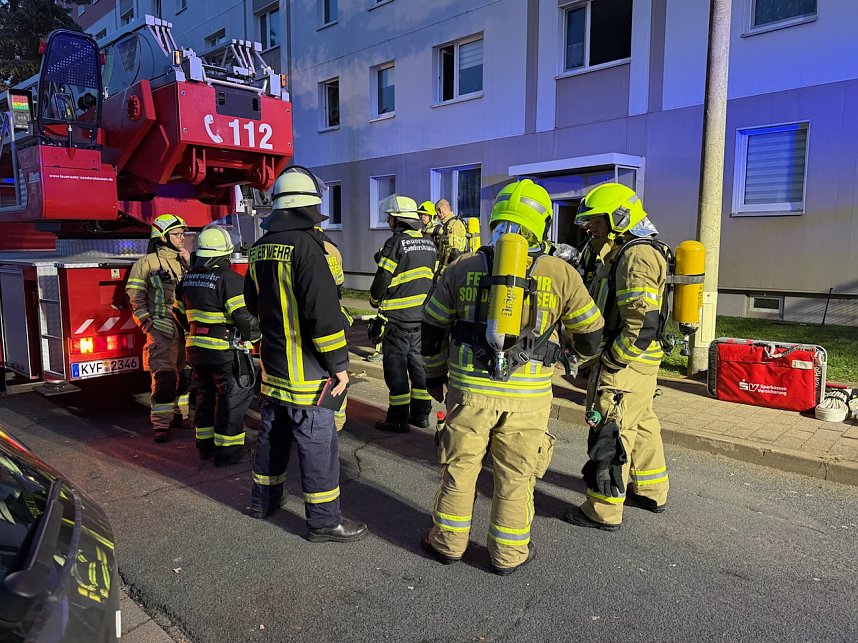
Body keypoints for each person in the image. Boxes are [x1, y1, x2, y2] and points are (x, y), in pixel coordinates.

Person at [421, 180, 604, 574]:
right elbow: (591, 336)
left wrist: (433, 376)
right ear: (542, 224)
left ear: (496, 220)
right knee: (517, 477)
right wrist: (571, 355)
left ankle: (447, 543)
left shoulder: (462, 267)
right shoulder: (561, 272)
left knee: (459, 470)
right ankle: (508, 554)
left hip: (469, 394)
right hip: (529, 399)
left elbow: (432, 328)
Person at [244, 166, 367, 543]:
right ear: (309, 207)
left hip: (273, 369)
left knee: (273, 438)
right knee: (318, 445)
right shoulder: (310, 248)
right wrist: (340, 366)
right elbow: (324, 316)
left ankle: (263, 502)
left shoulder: (259, 248)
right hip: (308, 375)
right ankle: (325, 521)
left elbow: (251, 303)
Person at [563, 183, 669, 532]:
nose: (589, 228)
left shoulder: (636, 257)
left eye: (596, 221)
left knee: (611, 429)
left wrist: (610, 362)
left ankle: (603, 510)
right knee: (642, 422)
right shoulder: (627, 251)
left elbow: (642, 323)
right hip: (641, 363)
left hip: (626, 362)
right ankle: (652, 491)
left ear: (619, 219)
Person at [173, 225, 260, 466]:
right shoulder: (231, 280)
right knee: (231, 399)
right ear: (225, 253)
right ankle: (228, 452)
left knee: (204, 395)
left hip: (196, 349)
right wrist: (257, 336)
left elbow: (179, 313)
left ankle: (205, 446)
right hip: (224, 350)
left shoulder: (187, 279)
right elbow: (244, 317)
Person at [370, 195, 437, 432]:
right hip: (421, 318)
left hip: (397, 319)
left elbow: (383, 277)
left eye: (389, 217)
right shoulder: (430, 244)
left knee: (396, 367)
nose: (388, 221)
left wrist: (374, 299)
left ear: (397, 220)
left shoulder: (395, 243)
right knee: (417, 365)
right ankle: (421, 414)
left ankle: (398, 418)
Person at [126, 214, 192, 443]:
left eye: (183, 234)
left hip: (185, 330)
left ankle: (181, 416)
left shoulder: (184, 261)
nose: (182, 238)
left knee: (185, 376)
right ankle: (161, 425)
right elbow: (135, 299)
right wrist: (148, 325)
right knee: (164, 379)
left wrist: (189, 264)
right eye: (176, 234)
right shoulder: (146, 263)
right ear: (162, 237)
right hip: (161, 332)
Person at [315, 225, 352, 431]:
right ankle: (337, 422)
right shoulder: (332, 250)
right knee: (337, 369)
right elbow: (339, 284)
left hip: (312, 318)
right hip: (334, 314)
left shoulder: (299, 248)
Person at [434, 198, 467, 275]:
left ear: (440, 211)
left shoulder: (453, 225)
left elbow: (454, 252)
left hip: (452, 271)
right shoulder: (450, 224)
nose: (437, 216)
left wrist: (444, 272)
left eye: (437, 213)